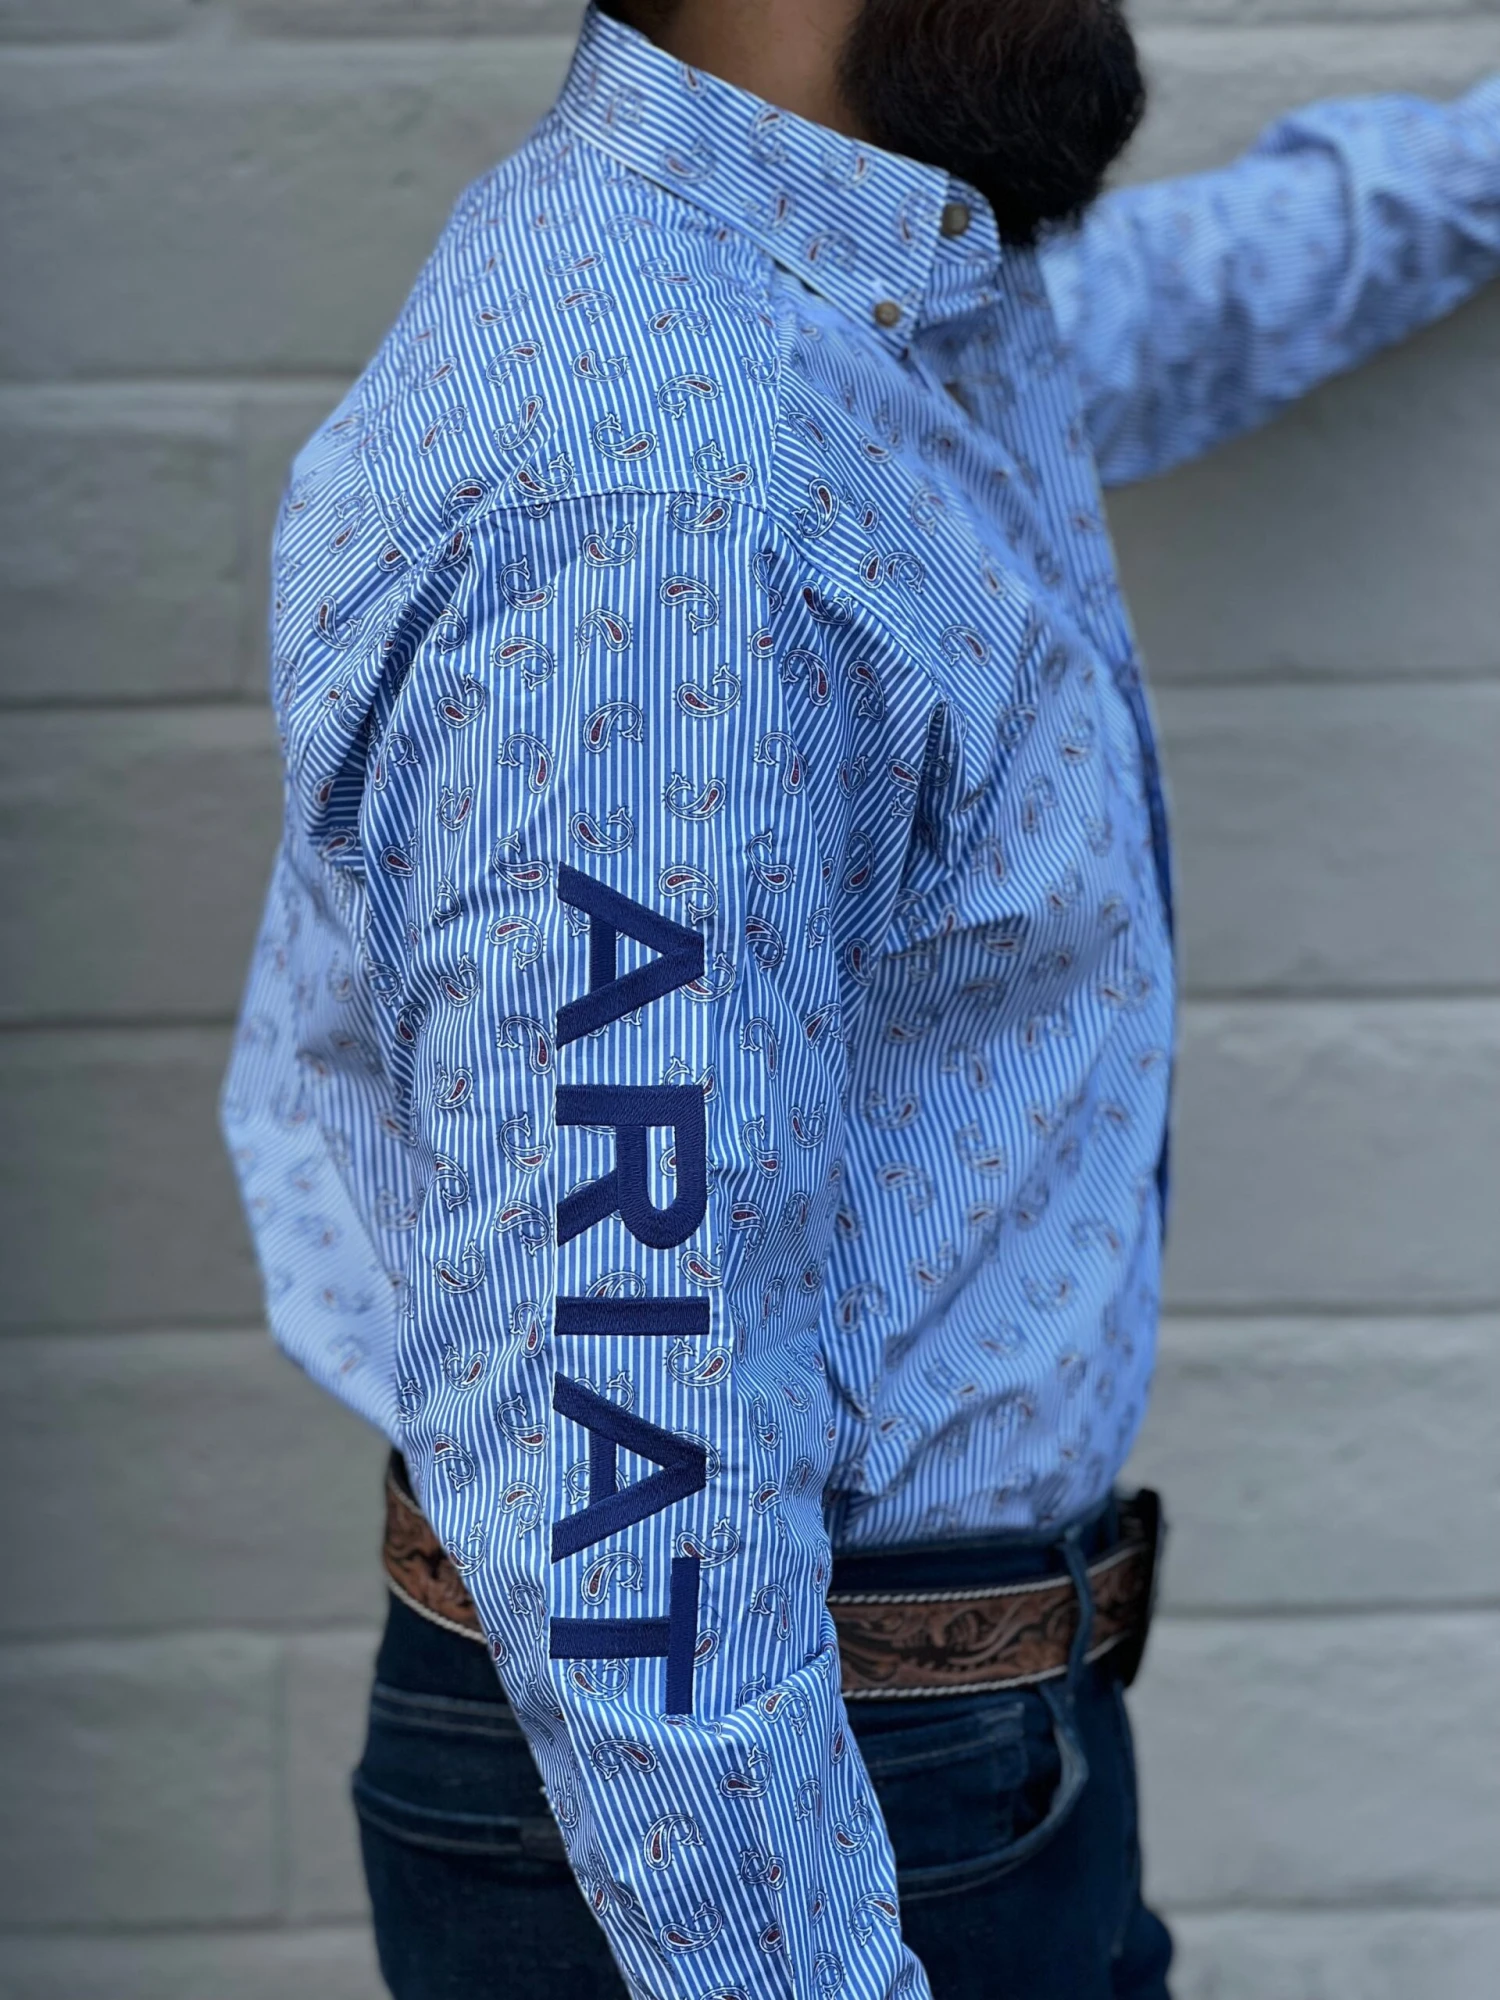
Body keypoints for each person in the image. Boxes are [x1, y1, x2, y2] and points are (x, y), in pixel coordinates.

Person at [220, 3, 1499, 1994]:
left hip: (910, 1761)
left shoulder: (840, 306)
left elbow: (1137, 321)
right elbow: (622, 1469)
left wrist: (1470, 166)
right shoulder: (660, 514)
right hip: (771, 1811)